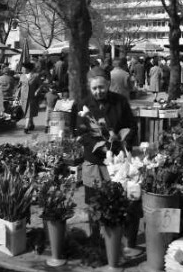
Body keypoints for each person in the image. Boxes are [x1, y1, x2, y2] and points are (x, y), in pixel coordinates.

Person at [76, 66, 137, 238]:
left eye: (101, 87)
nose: (98, 91)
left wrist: (122, 139)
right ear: (89, 87)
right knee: (93, 202)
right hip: (94, 160)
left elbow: (132, 126)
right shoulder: (83, 104)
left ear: (109, 84)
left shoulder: (120, 102)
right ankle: (95, 237)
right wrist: (100, 146)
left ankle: (116, 236)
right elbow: (81, 133)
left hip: (117, 162)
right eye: (94, 88)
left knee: (116, 200)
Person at [15, 61, 42, 134]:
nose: (22, 69)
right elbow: (19, 86)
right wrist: (17, 96)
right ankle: (31, 124)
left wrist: (37, 91)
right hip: (23, 97)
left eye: (23, 68)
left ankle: (26, 127)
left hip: (31, 96)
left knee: (28, 112)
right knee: (26, 111)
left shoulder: (36, 76)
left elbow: (40, 85)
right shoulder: (22, 76)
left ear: (28, 69)